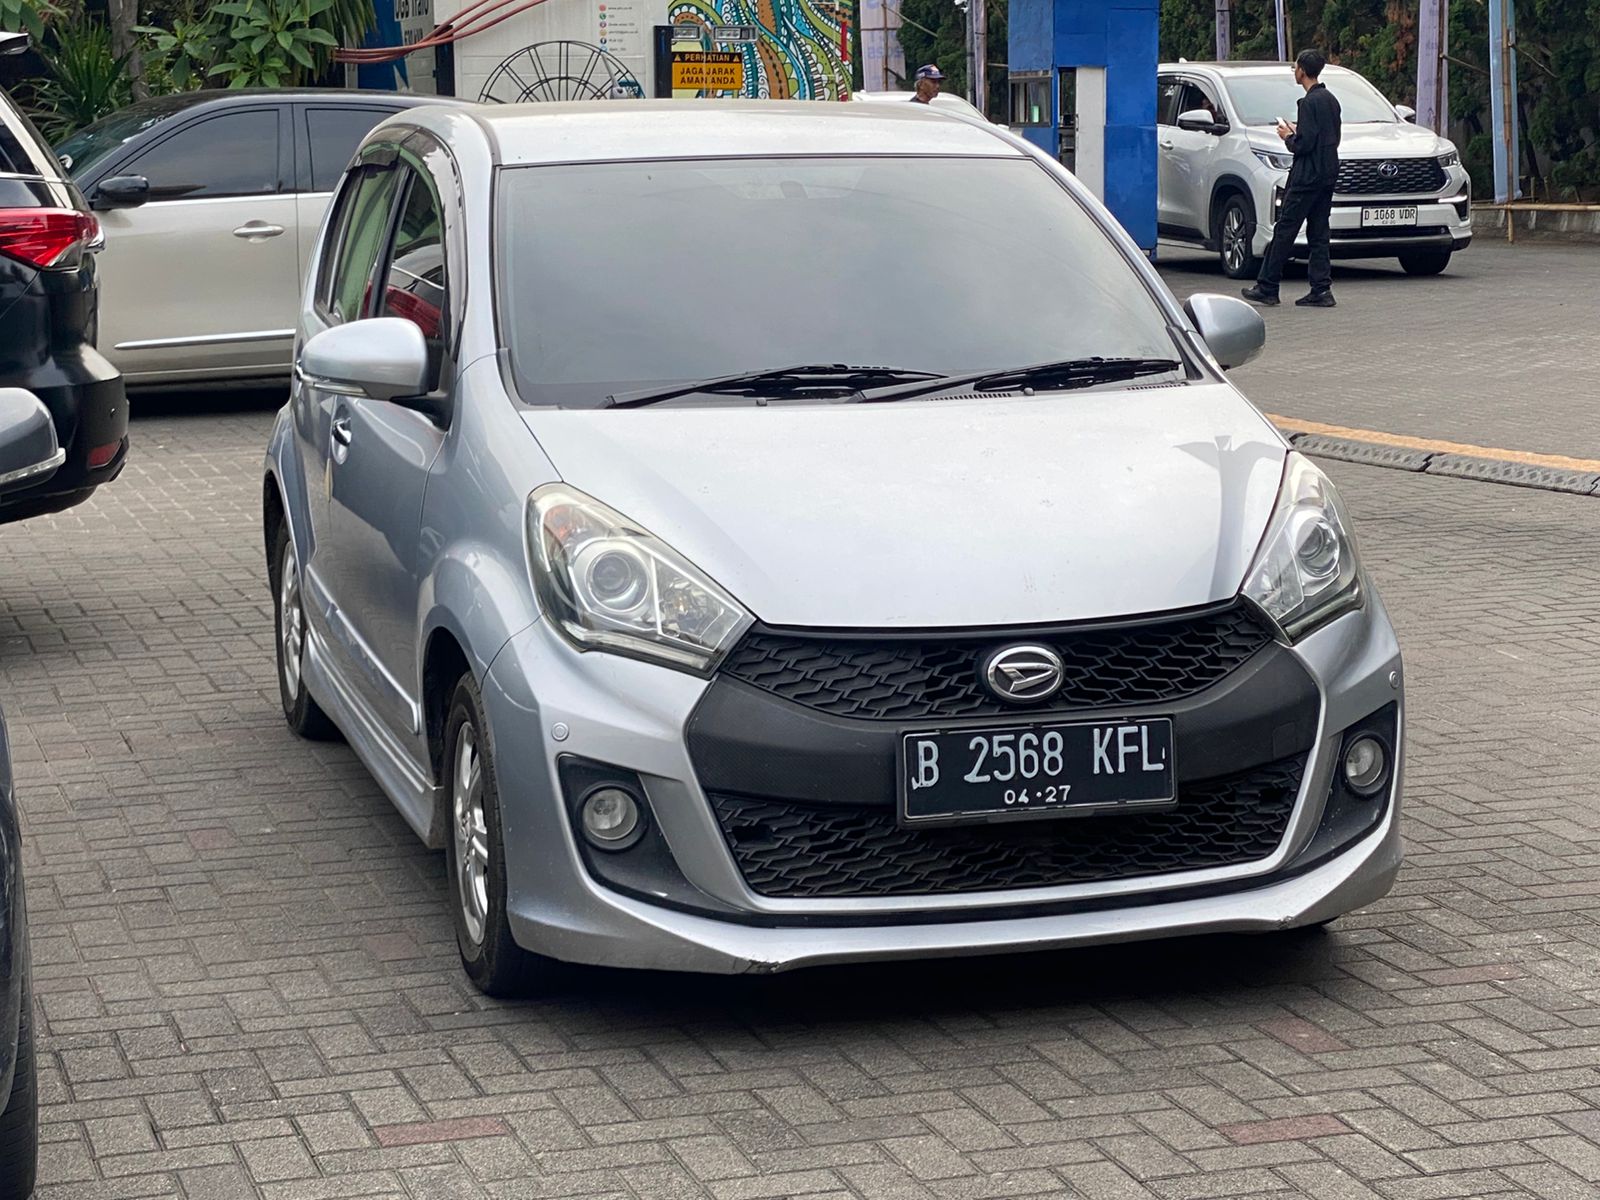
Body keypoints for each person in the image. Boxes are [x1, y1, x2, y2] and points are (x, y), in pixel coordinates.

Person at [1242, 49, 1341, 308]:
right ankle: (1321, 289)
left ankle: (1267, 286)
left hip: (1306, 176)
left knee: (1285, 230)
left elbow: (1304, 145)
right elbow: (1328, 136)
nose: (1294, 72)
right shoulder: (1331, 100)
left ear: (1302, 71)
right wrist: (1300, 130)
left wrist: (1288, 136)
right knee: (1319, 232)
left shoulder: (1308, 102)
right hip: (1327, 174)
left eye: (1295, 67)